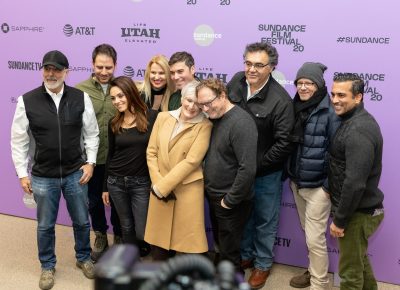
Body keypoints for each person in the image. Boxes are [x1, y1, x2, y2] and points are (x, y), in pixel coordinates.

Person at [11, 50, 99, 290]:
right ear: (42, 70)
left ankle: (83, 257)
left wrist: (90, 162)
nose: (51, 73)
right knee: (45, 226)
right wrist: (21, 173)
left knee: (81, 221)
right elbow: (18, 141)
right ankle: (47, 266)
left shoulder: (81, 98)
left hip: (75, 173)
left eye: (57, 69)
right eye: (47, 69)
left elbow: (92, 133)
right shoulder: (26, 100)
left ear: (66, 72)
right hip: (42, 176)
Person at [227, 42, 294, 289]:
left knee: (265, 219)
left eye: (258, 65)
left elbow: (284, 143)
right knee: (243, 216)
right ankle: (245, 255)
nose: (251, 69)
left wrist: (257, 165)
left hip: (266, 173)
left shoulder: (281, 101)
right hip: (237, 170)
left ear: (272, 67)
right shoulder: (235, 82)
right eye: (248, 63)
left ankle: (263, 264)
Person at [325, 73, 384, 290]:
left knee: (350, 275)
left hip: (357, 214)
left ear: (358, 97)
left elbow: (355, 182)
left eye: (342, 95)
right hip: (358, 210)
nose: (335, 99)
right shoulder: (351, 121)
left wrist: (340, 220)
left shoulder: (359, 129)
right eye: (333, 94)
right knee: (359, 262)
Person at [286, 62, 340, 289]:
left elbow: (339, 154)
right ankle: (312, 271)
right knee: (309, 233)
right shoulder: (294, 106)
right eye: (300, 83)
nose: (304, 87)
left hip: (319, 186)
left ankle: (319, 283)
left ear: (319, 85)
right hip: (297, 182)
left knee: (314, 238)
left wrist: (327, 187)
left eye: (309, 83)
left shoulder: (330, 112)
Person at [145, 80, 212, 260]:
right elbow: (151, 152)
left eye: (198, 103)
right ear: (181, 98)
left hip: (186, 188)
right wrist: (157, 183)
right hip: (159, 185)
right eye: (189, 100)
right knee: (159, 240)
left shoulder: (205, 125)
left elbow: (192, 161)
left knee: (187, 241)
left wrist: (162, 187)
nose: (192, 106)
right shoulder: (163, 117)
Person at [198, 78, 257, 273]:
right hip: (215, 195)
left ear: (222, 95)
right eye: (202, 105)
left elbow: (247, 168)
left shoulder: (241, 123)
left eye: (209, 103)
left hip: (230, 200)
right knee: (222, 246)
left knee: (230, 252)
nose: (205, 109)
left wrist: (229, 200)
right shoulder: (214, 118)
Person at [75, 43, 122, 261]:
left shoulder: (122, 89)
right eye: (100, 67)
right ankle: (101, 235)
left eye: (109, 67)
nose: (104, 72)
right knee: (93, 201)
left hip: (117, 159)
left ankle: (120, 237)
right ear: (92, 65)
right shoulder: (79, 90)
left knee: (118, 201)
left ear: (115, 66)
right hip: (91, 160)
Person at [102, 76, 158, 251]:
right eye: (113, 98)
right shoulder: (114, 122)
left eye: (120, 96)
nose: (117, 101)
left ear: (130, 93)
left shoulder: (153, 117)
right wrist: (105, 186)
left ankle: (145, 249)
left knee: (142, 230)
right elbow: (110, 155)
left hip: (141, 183)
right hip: (115, 182)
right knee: (125, 226)